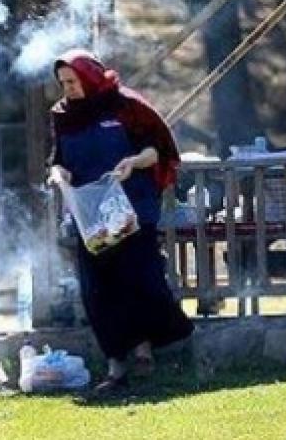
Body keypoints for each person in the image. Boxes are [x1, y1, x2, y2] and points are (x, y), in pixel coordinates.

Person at [47, 49, 194, 393]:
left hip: (132, 206)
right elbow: (57, 159)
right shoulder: (62, 115)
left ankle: (153, 348)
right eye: (63, 83)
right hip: (91, 214)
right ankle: (117, 366)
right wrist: (59, 175)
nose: (67, 88)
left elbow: (157, 149)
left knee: (141, 281)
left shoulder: (126, 105)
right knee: (97, 290)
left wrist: (133, 162)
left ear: (89, 77)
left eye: (73, 81)